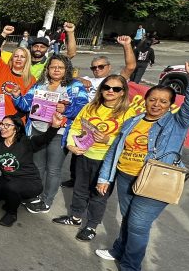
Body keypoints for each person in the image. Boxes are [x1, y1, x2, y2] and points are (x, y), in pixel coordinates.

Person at [95, 63, 189, 271]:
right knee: (128, 219)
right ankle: (118, 250)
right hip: (126, 176)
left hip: (156, 181)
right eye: (153, 99)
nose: (157, 104)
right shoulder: (132, 121)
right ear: (145, 100)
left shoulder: (176, 123)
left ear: (171, 105)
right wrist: (104, 177)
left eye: (164, 101)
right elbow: (115, 150)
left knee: (138, 225)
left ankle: (130, 267)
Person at [52, 75, 136, 241]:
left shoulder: (128, 112)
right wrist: (71, 145)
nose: (110, 91)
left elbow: (130, 139)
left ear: (122, 92)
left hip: (106, 161)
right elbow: (76, 125)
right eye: (107, 87)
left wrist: (108, 140)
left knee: (99, 195)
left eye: (116, 88)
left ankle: (91, 226)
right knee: (80, 189)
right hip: (84, 154)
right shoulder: (91, 106)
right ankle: (75, 217)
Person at [9, 55, 89, 214]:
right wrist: (17, 96)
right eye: (53, 67)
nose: (56, 70)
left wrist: (66, 109)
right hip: (38, 130)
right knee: (37, 166)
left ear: (66, 69)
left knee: (53, 169)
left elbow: (83, 108)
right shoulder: (40, 85)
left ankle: (46, 201)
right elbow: (25, 106)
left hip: (59, 133)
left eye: (60, 67)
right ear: (48, 69)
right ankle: (36, 194)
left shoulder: (75, 86)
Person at [0, 113, 65, 227]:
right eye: (1, 124)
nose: (2, 127)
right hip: (7, 178)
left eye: (7, 125)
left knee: (12, 188)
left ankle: (12, 213)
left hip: (29, 181)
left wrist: (54, 126)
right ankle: (13, 198)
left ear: (16, 128)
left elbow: (44, 139)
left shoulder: (25, 141)